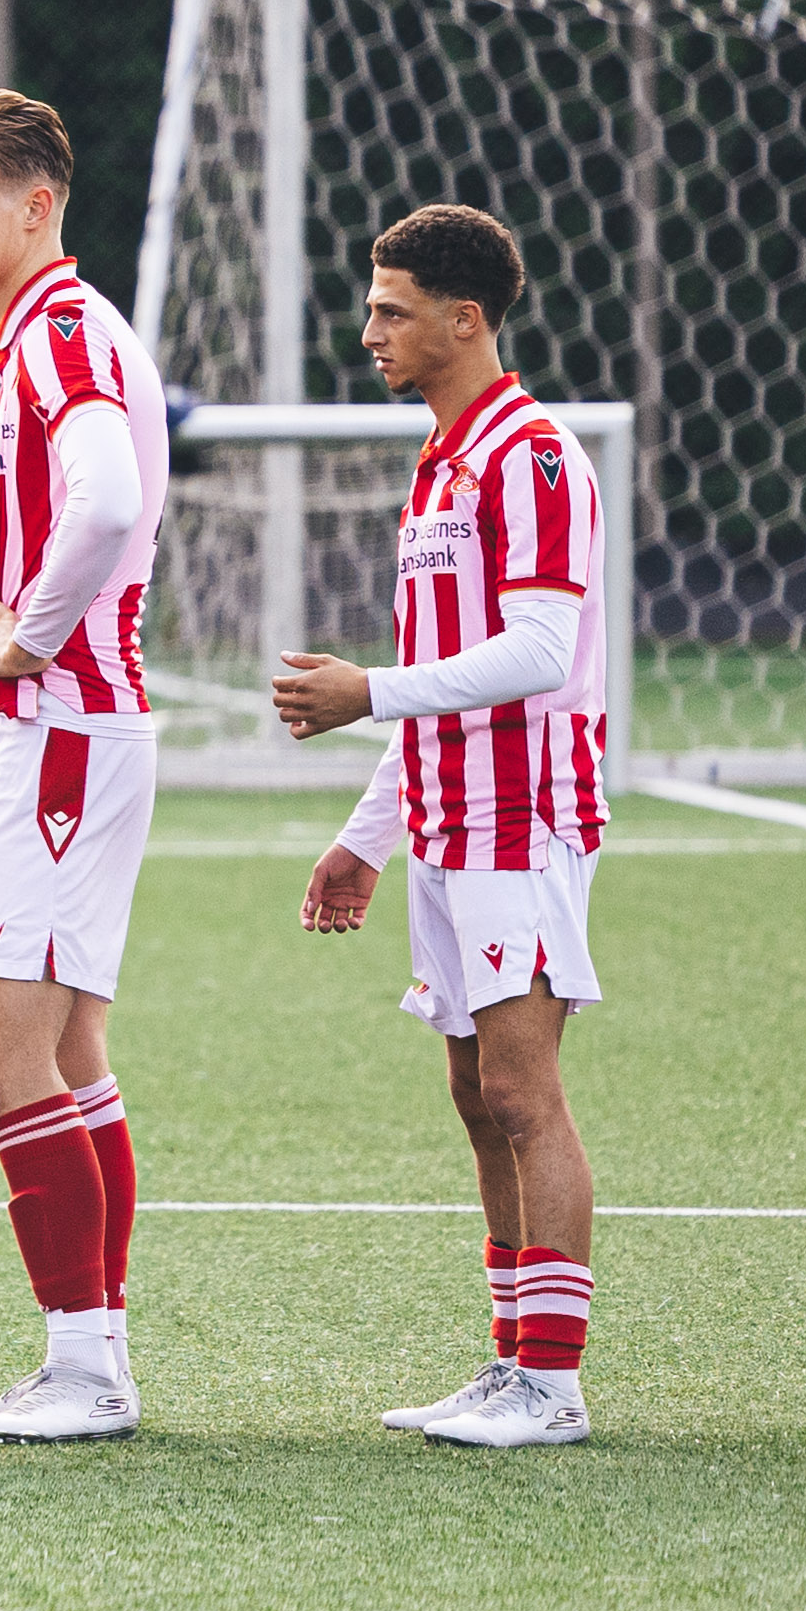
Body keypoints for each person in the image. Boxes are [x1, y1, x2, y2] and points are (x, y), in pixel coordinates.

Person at [277, 204, 611, 1450]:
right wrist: (369, 834)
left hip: (524, 817)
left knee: (524, 1091)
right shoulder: (442, 462)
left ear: (465, 320)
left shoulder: (530, 456)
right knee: (477, 1093)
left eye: (393, 310)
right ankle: (512, 1359)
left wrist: (365, 692)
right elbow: (443, 675)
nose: (370, 331)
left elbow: (537, 651)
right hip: (451, 817)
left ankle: (554, 1388)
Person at [0, 89, 168, 1444]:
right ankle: (92, 1352)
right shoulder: (50, 325)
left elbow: (110, 499)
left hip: (59, 727)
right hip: (72, 728)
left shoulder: (60, 326)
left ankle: (84, 1367)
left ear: (37, 207)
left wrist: (30, 635)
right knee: (66, 1050)